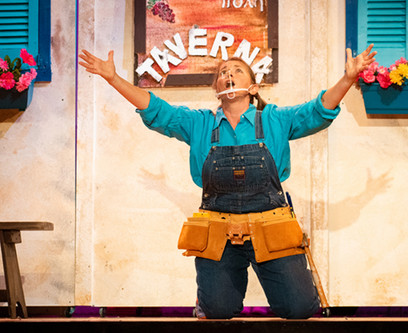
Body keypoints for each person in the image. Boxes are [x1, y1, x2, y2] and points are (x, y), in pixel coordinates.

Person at [79, 44, 376, 319]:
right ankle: (208, 302)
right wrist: (113, 78)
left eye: (236, 70)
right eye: (222, 72)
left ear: (253, 87)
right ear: (217, 89)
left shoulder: (275, 119)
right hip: (218, 230)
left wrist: (348, 78)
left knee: (297, 308)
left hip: (271, 226)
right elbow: (157, 110)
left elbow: (318, 110)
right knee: (218, 311)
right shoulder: (199, 123)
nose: (228, 74)